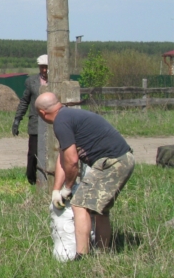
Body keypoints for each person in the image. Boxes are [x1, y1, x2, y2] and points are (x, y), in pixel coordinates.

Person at [35, 92, 134, 259]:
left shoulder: (61, 122)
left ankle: (82, 256)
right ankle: (103, 254)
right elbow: (63, 157)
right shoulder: (68, 116)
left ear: (42, 113)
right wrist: (56, 189)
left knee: (79, 204)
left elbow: (72, 161)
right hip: (123, 160)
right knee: (99, 210)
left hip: (111, 163)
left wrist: (67, 188)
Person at [12, 54, 49, 185]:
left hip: (53, 122)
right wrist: (17, 119)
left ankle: (49, 177)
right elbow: (24, 101)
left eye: (46, 67)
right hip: (36, 122)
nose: (44, 70)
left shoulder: (56, 82)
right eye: (42, 67)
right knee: (33, 153)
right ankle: (32, 179)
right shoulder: (31, 81)